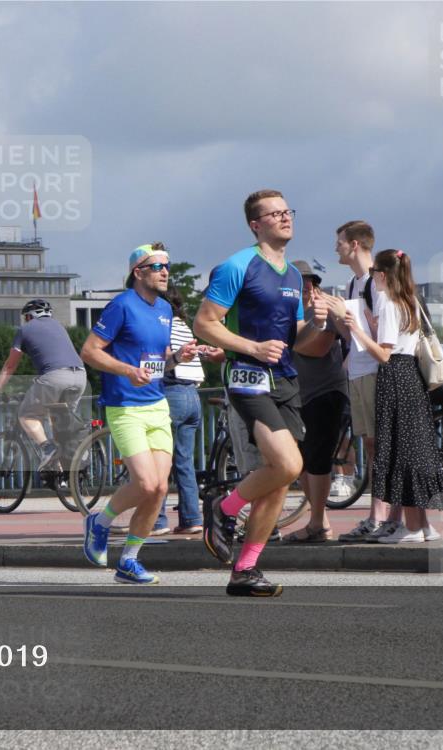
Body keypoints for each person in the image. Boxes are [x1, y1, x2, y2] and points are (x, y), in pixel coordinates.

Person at [193, 189, 328, 597]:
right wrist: (251, 347)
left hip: (285, 380)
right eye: (275, 214)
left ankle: (245, 570)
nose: (286, 217)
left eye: (288, 211)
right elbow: (204, 324)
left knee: (278, 480)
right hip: (247, 377)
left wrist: (318, 323)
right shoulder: (237, 266)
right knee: (288, 464)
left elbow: (295, 338)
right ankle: (223, 507)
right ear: (256, 224)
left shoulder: (292, 276)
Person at [80, 243, 197, 585]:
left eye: (167, 266)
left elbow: (160, 361)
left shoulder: (165, 309)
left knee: (159, 488)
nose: (165, 272)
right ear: (138, 272)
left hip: (157, 405)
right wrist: (127, 370)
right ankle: (100, 522)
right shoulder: (121, 305)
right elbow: (89, 351)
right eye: (157, 266)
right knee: (145, 483)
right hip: (125, 407)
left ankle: (129, 561)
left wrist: (179, 358)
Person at [343, 249, 443, 541]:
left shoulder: (389, 302)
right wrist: (373, 325)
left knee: (401, 451)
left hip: (395, 378)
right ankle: (423, 526)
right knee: (414, 449)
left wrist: (358, 330)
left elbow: (384, 353)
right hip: (411, 377)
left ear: (381, 275)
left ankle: (412, 528)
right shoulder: (410, 300)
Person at [325, 220, 401, 542]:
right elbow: (351, 335)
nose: (337, 248)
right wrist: (338, 318)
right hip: (359, 370)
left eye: (340, 242)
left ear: (354, 244)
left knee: (381, 446)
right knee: (372, 446)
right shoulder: (352, 284)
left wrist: (351, 323)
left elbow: (383, 336)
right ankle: (379, 515)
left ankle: (386, 516)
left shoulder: (376, 282)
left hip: (375, 371)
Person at [281, 261, 349, 542]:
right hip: (299, 395)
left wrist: (288, 342)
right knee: (301, 462)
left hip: (326, 392)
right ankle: (319, 523)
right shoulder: (286, 313)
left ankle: (319, 524)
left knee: (318, 460)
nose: (306, 286)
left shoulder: (323, 309)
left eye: (309, 281)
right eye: (299, 281)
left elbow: (320, 348)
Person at [151, 284, 225, 536]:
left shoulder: (161, 324)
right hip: (192, 395)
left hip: (171, 392)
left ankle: (157, 520)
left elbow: (164, 357)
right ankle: (191, 518)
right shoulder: (183, 325)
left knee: (159, 459)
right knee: (184, 462)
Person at [0, 299, 87, 470]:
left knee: (26, 415)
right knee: (60, 424)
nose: (25, 321)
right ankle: (66, 472)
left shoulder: (24, 330)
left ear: (30, 316)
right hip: (80, 376)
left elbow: (10, 366)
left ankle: (48, 449)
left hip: (54, 377)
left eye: (26, 317)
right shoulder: (59, 326)